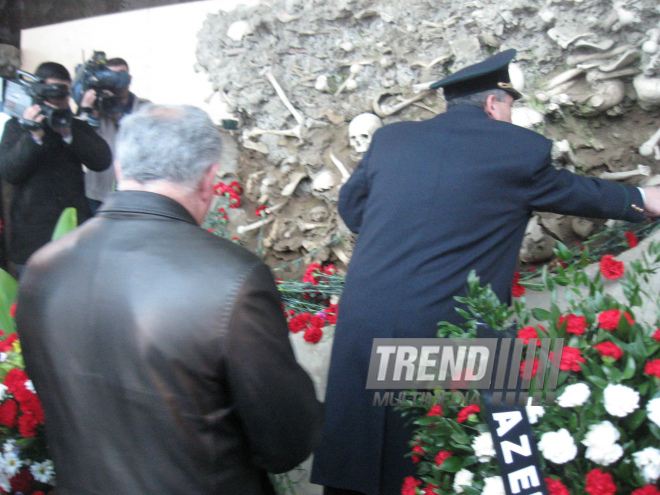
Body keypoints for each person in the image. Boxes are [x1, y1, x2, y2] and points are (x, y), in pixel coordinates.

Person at [310, 49, 660, 495]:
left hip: (364, 318)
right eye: (510, 106)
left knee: (359, 448)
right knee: (445, 453)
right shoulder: (516, 151)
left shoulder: (392, 139)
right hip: (442, 328)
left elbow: (353, 208)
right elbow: (581, 193)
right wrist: (644, 199)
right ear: (496, 103)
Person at [16, 104, 323, 494]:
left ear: (119, 167)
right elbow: (285, 442)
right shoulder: (232, 278)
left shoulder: (43, 266)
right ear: (209, 177)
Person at [0, 61, 112, 277]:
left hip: (74, 238)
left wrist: (69, 134)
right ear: (39, 93)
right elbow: (9, 173)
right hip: (32, 239)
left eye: (65, 94)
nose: (61, 101)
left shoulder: (75, 126)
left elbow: (102, 160)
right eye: (54, 93)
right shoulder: (16, 126)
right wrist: (33, 137)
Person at [77, 57, 150, 214]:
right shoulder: (96, 107)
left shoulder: (145, 108)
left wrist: (119, 115)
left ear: (129, 79)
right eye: (110, 77)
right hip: (99, 192)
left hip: (135, 193)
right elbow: (82, 142)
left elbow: (149, 144)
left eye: (120, 76)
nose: (115, 82)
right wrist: (88, 112)